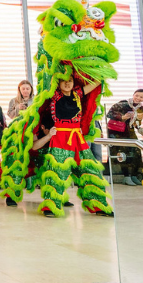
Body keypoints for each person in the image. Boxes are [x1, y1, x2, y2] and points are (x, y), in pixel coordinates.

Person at [30, 75, 112, 217]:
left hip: (77, 138)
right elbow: (48, 76)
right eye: (64, 81)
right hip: (60, 138)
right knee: (57, 171)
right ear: (58, 83)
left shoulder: (77, 93)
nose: (67, 83)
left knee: (90, 169)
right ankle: (51, 206)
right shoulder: (54, 95)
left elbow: (96, 82)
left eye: (70, 80)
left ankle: (98, 205)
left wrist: (100, 71)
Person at [106, 89, 143, 185]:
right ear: (133, 95)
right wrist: (122, 117)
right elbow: (109, 114)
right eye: (137, 95)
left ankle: (133, 175)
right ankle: (126, 176)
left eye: (141, 97)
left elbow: (137, 123)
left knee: (136, 151)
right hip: (118, 131)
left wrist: (138, 120)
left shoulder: (141, 108)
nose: (138, 98)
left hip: (130, 131)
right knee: (122, 153)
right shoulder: (123, 104)